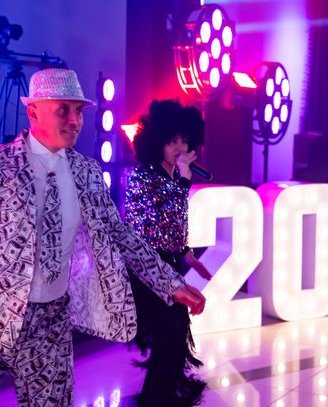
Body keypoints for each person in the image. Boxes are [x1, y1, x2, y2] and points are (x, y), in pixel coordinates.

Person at [0, 69, 206, 406]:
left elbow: (121, 234)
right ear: (33, 112)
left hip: (48, 326)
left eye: (79, 111)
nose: (75, 120)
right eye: (63, 110)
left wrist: (169, 283)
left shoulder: (86, 172)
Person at [125, 99, 212, 407]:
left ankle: (159, 398)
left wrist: (188, 254)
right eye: (172, 141)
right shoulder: (142, 178)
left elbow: (172, 227)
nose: (179, 147)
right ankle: (155, 400)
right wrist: (185, 180)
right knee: (167, 338)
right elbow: (153, 224)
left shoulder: (173, 178)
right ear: (157, 142)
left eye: (184, 141)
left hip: (170, 267)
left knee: (175, 339)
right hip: (147, 272)